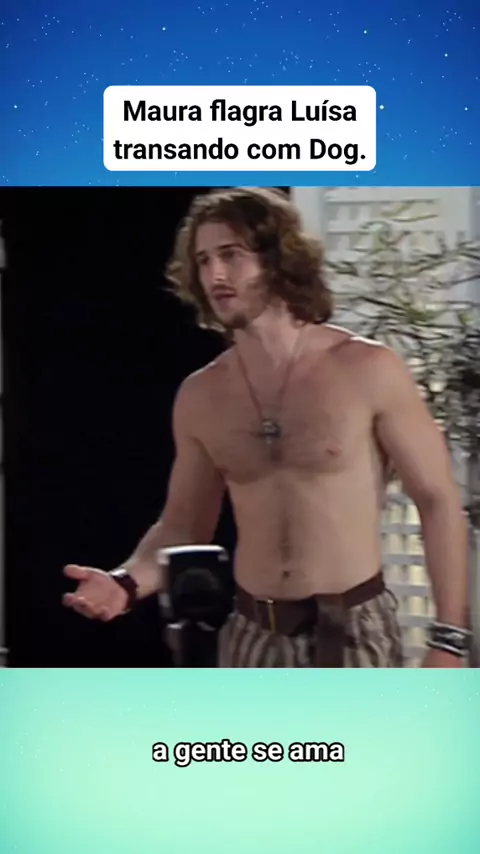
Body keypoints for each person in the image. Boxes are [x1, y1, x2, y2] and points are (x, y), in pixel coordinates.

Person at [63, 187, 471, 667]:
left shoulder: (366, 369)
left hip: (350, 629)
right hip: (251, 633)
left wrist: (449, 639)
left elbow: (437, 501)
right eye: (203, 261)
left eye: (231, 255)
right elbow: (183, 525)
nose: (215, 275)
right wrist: (125, 583)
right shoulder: (202, 395)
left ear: (277, 259)